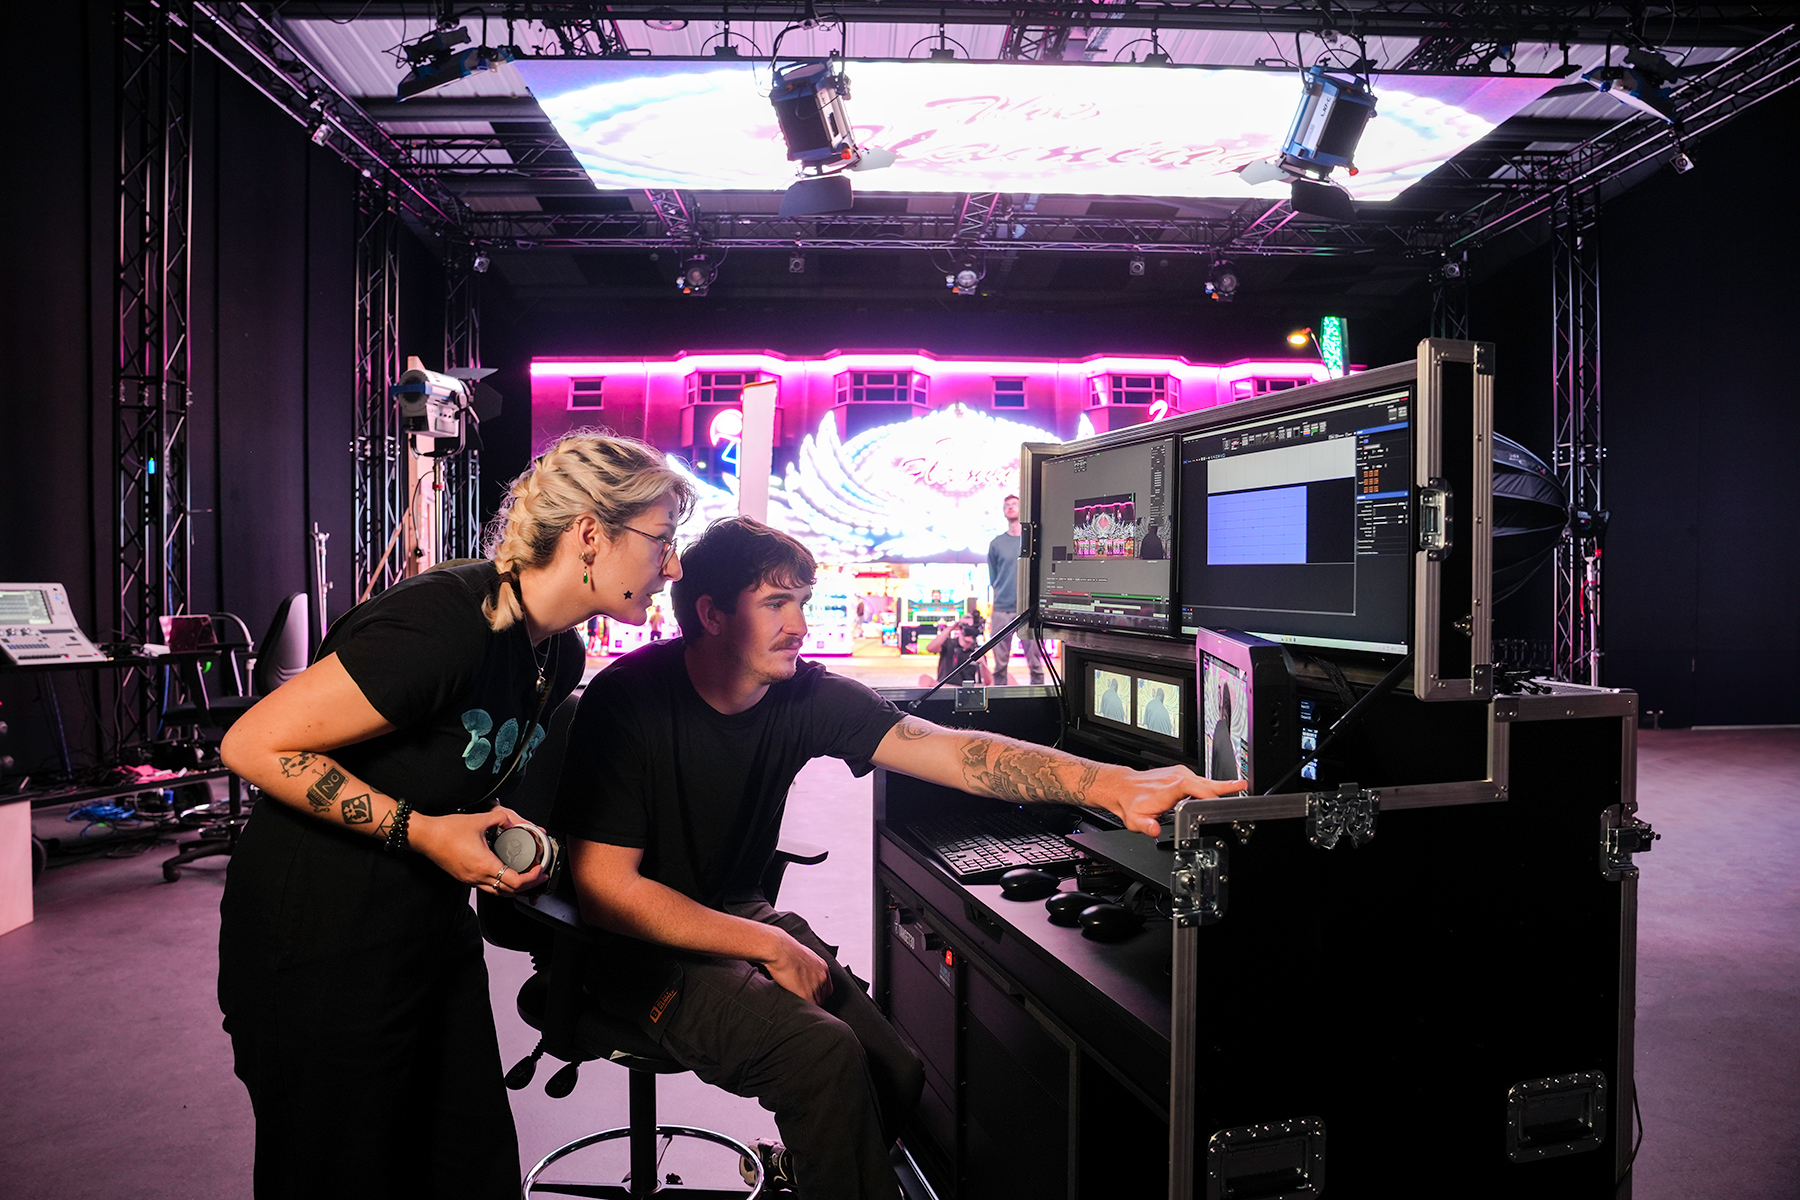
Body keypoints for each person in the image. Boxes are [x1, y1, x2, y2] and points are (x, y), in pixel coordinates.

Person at [551, 517, 1248, 1200]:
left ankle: (820, 1168)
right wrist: (764, 941)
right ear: (711, 613)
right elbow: (607, 890)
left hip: (731, 915)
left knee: (894, 1071)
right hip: (630, 948)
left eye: (800, 600)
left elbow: (948, 752)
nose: (798, 624)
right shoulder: (628, 703)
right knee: (819, 1057)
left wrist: (1111, 785)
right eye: (774, 604)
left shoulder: (799, 693)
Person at [216, 432, 694, 1199]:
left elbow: (449, 773)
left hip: (427, 936)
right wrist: (425, 832)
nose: (672, 566)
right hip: (315, 943)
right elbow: (253, 743)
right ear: (591, 533)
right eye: (662, 539)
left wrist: (502, 827)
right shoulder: (446, 619)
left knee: (466, 1167)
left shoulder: (555, 654)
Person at [987, 492, 1045, 686]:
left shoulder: (1032, 541)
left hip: (1028, 610)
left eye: (1014, 504)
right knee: (1000, 665)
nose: (1010, 507)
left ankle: (1037, 703)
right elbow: (993, 577)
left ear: (1022, 509)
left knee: (1036, 664)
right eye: (1007, 505)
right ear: (1003, 512)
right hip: (1002, 609)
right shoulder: (996, 544)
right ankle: (999, 704)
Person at [919, 614, 991, 688]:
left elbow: (988, 682)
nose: (970, 631)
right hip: (943, 687)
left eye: (972, 628)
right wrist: (951, 627)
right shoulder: (949, 644)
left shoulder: (976, 651)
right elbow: (930, 648)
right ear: (960, 628)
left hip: (964, 690)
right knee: (925, 679)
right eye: (966, 627)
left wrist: (982, 664)